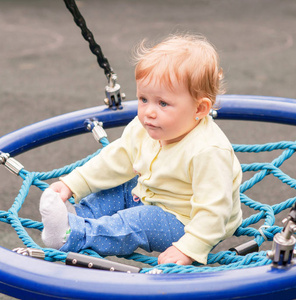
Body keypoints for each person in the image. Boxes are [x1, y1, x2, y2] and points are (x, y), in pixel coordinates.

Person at [39, 34, 242, 265]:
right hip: (149, 194)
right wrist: (72, 184)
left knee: (137, 221)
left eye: (163, 103)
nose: (149, 112)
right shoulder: (144, 127)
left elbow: (214, 211)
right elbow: (115, 160)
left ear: (200, 108)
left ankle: (75, 235)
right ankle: (75, 218)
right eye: (144, 99)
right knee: (117, 187)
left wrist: (189, 248)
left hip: (187, 222)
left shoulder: (209, 151)